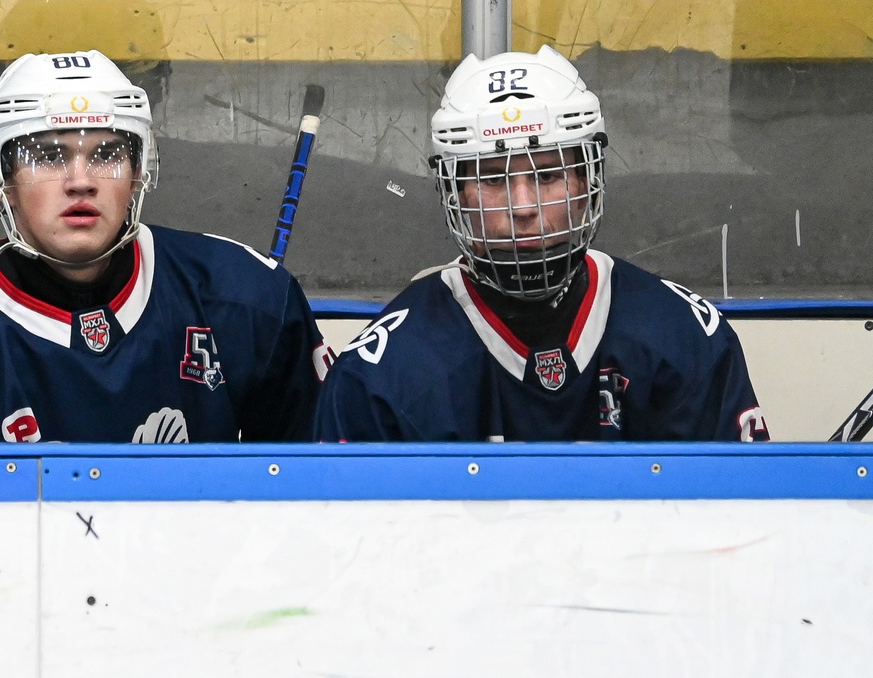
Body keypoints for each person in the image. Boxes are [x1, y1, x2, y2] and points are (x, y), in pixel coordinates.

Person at [0, 50, 327, 444]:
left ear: (139, 172)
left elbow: (317, 495)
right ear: (0, 178)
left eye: (106, 154)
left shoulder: (249, 298)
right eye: (47, 156)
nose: (80, 181)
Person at [317, 48, 768, 443]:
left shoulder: (681, 337)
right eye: (493, 178)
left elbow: (738, 505)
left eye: (548, 175)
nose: (523, 207)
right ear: (455, 193)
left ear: (587, 182)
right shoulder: (382, 374)